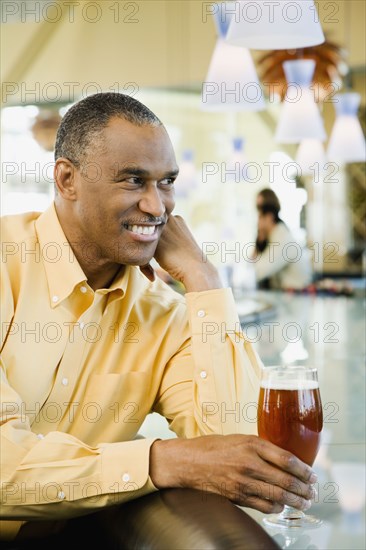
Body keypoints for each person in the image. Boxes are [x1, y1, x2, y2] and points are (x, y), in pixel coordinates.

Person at [0, 94, 317, 543]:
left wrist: (205, 281)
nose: (156, 206)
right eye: (134, 180)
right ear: (67, 179)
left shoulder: (163, 315)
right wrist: (160, 461)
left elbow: (244, 454)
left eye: (166, 181)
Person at [252, 188, 313, 290]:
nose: (257, 222)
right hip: (287, 298)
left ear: (269, 217)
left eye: (259, 214)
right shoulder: (275, 235)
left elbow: (258, 272)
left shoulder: (283, 238)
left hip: (298, 298)